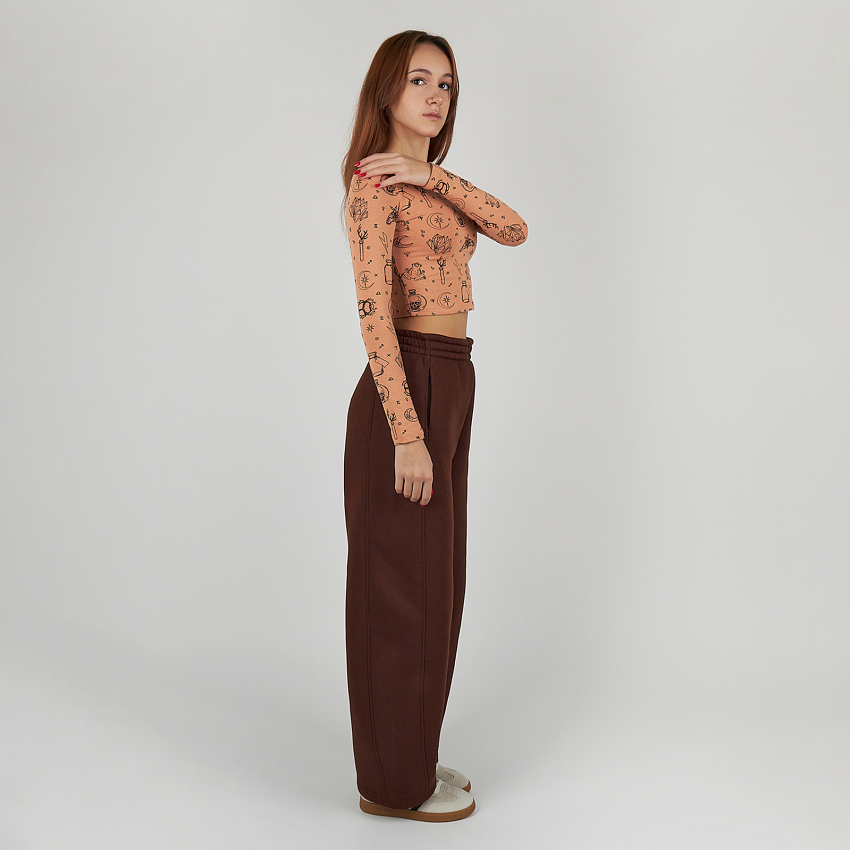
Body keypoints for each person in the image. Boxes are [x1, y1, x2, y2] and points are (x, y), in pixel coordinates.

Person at [341, 30, 528, 823]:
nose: (433, 95)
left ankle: (409, 751)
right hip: (406, 386)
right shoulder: (371, 187)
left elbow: (514, 228)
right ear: (386, 90)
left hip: (452, 376)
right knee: (401, 593)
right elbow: (372, 314)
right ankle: (392, 785)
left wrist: (433, 173)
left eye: (445, 84)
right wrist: (406, 432)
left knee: (438, 583)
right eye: (418, 80)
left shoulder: (429, 185)